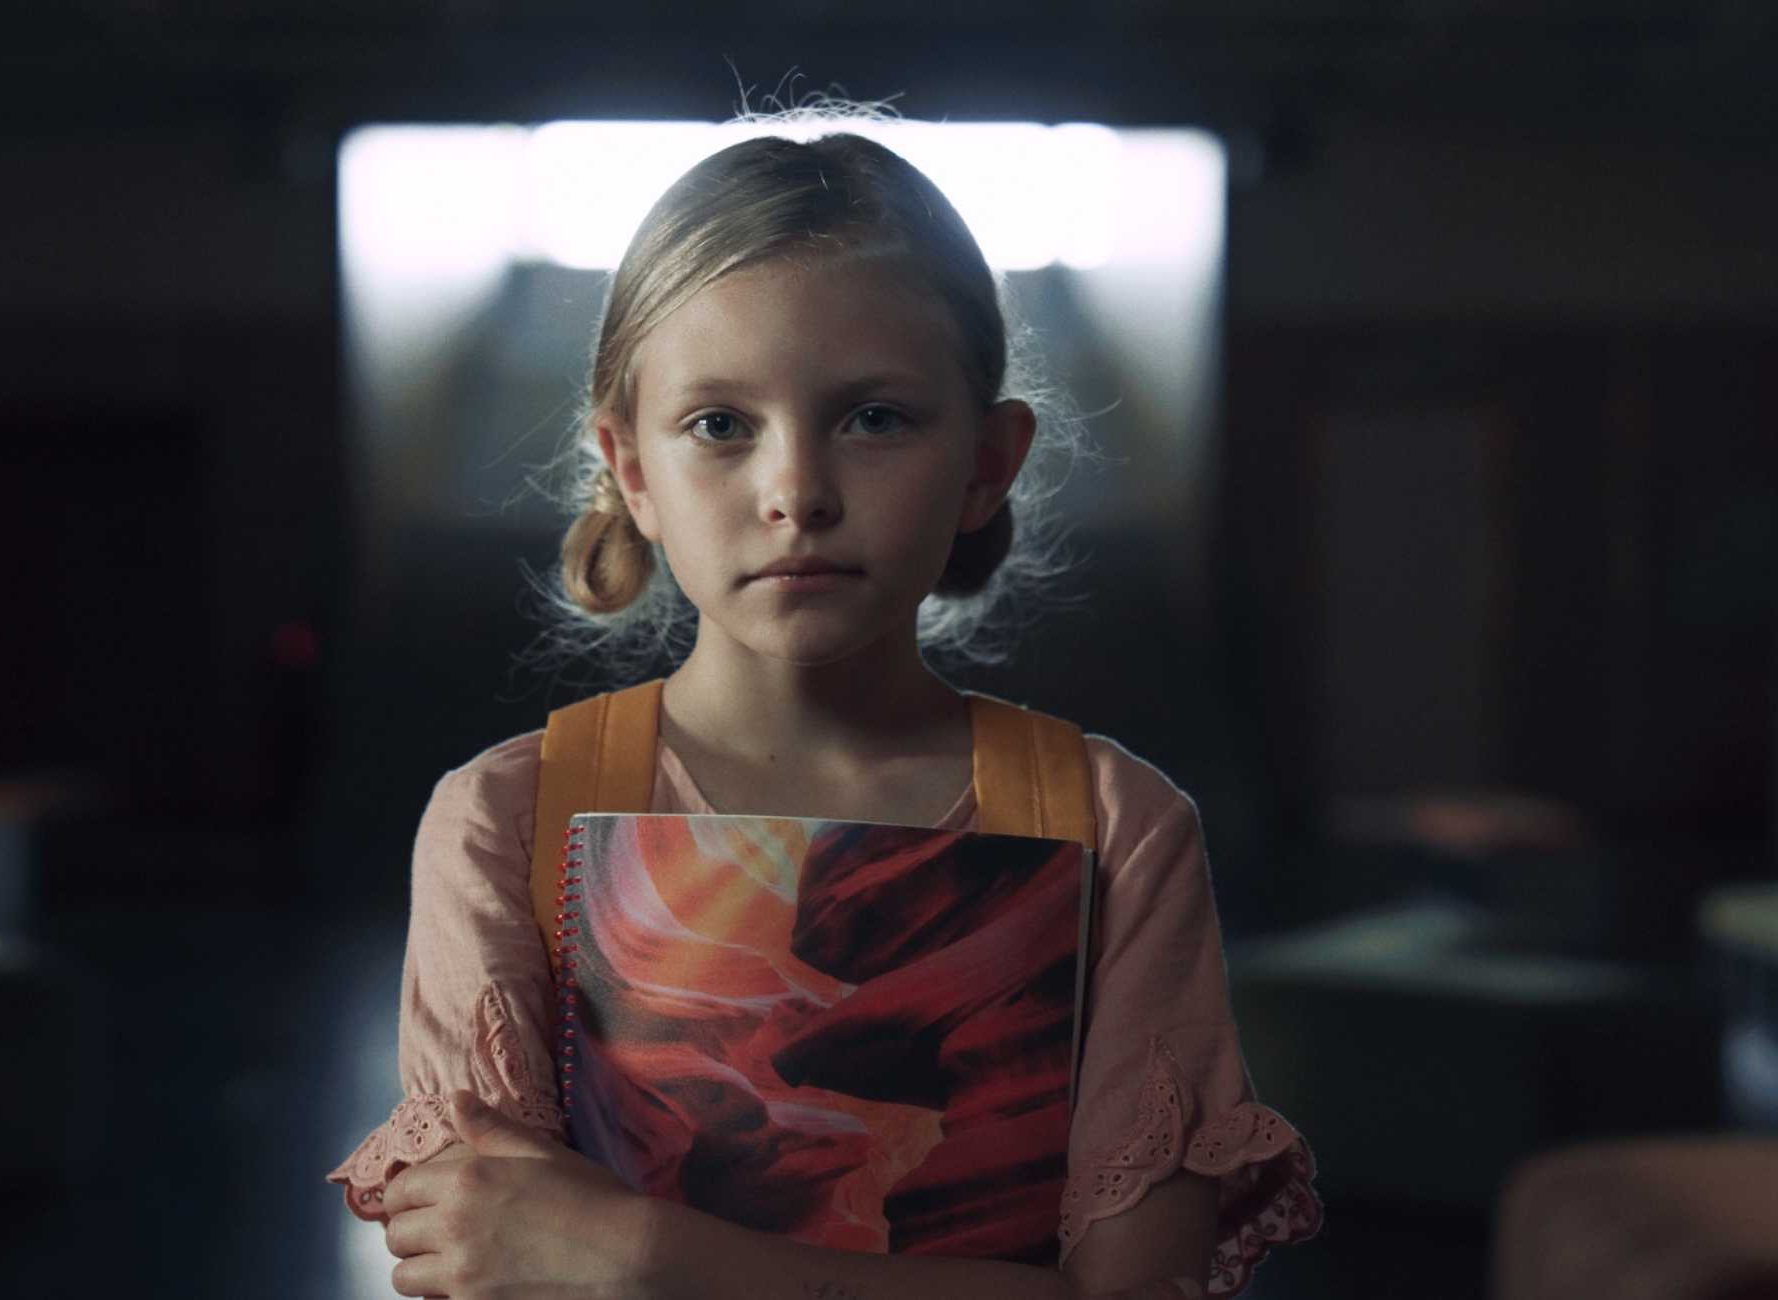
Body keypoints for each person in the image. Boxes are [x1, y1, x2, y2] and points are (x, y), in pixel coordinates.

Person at [328, 122, 1321, 1300]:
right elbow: (493, 1259)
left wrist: (646, 1256)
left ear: (987, 463)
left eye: (875, 418)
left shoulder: (1117, 823)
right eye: (719, 426)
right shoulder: (504, 820)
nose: (795, 491)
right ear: (631, 468)